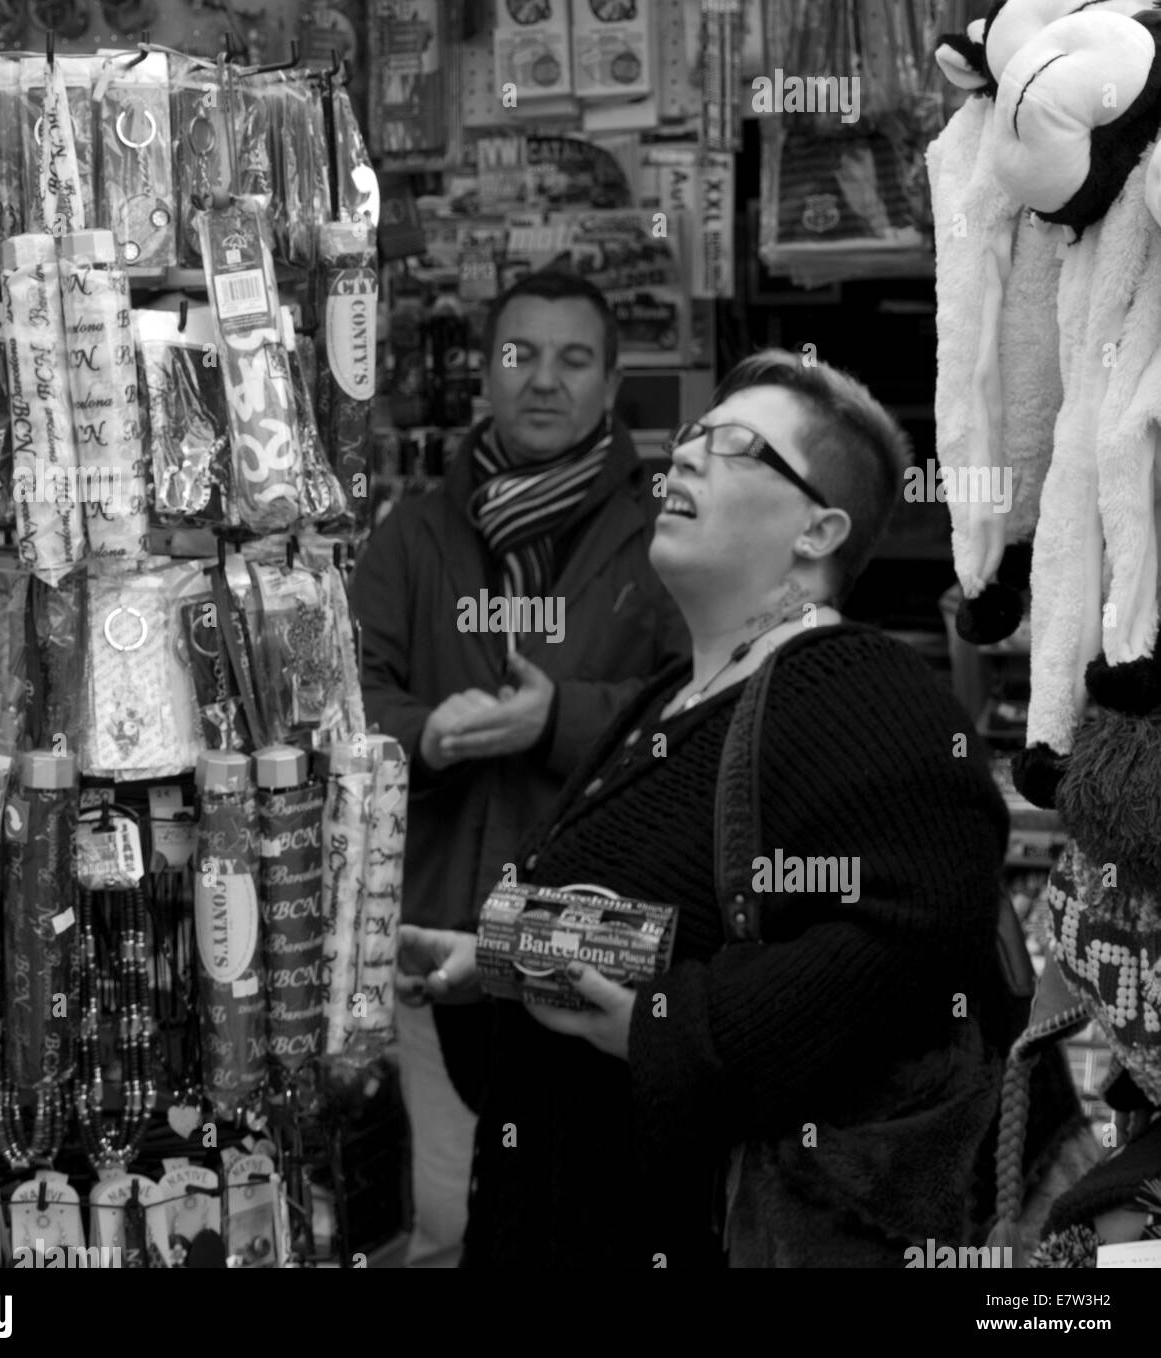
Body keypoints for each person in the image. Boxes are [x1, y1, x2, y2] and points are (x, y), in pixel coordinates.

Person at [397, 349, 1081, 1268]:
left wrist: (670, 1030)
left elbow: (914, 934)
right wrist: (499, 964)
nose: (684, 456)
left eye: (734, 445)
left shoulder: (856, 684)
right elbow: (668, 928)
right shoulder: (673, 697)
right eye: (688, 437)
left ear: (818, 530)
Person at [349, 270, 688, 1267]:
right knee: (456, 1221)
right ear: (484, 378)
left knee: (596, 1210)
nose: (543, 380)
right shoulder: (411, 535)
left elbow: (701, 712)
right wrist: (425, 736)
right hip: (443, 928)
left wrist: (558, 721)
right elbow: (345, 696)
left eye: (573, 358)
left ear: (611, 381)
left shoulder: (664, 532)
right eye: (519, 355)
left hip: (607, 932)